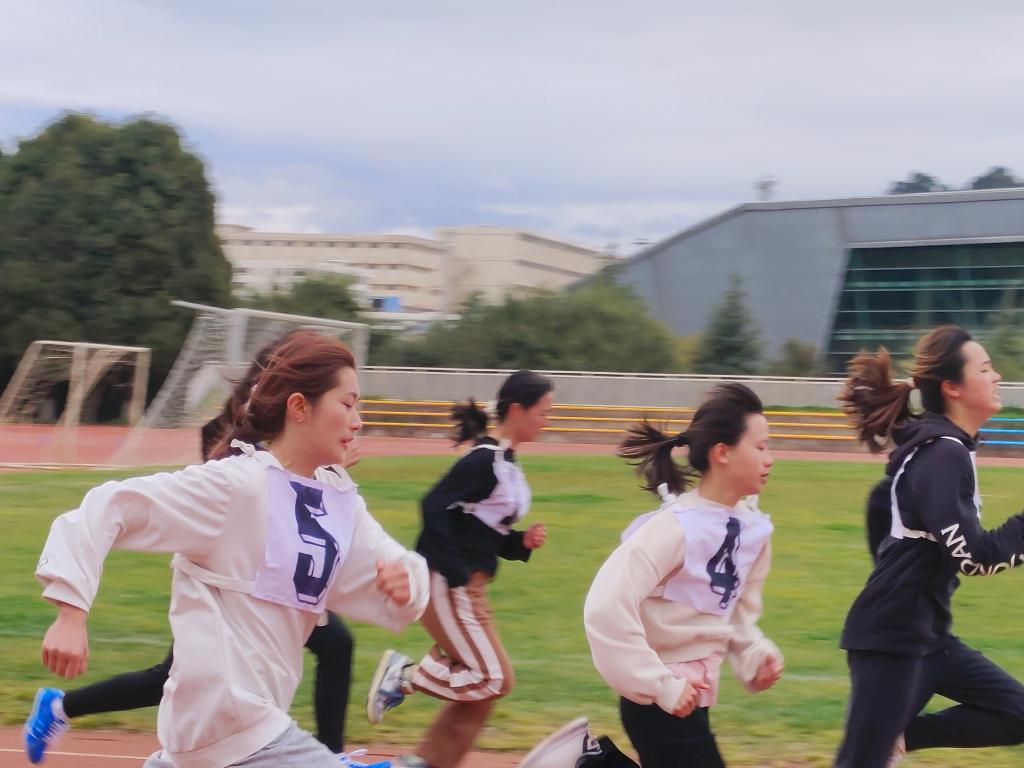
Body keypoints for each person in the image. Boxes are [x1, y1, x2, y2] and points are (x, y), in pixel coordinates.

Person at [32, 330, 429, 768]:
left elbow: (393, 565)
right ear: (299, 407)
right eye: (348, 404)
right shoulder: (235, 485)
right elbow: (111, 506)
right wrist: (71, 610)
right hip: (228, 718)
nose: (357, 421)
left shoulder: (337, 501)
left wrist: (407, 583)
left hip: (236, 729)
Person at [834, 325, 1024, 767]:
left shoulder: (948, 448)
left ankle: (897, 737)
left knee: (1016, 714)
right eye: (985, 368)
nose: (997, 376)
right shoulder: (943, 453)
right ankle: (883, 742)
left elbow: (880, 503)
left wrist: (896, 568)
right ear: (952, 387)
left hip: (929, 636)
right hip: (892, 639)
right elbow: (974, 557)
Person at [584, 383, 782, 768]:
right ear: (722, 453)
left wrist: (754, 655)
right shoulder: (674, 527)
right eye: (760, 447)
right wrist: (658, 683)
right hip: (659, 698)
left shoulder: (753, 531)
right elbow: (605, 606)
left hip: (693, 695)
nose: (770, 459)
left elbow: (734, 616)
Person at [366, 370, 554, 768]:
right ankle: (404, 675)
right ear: (517, 410)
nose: (547, 420)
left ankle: (425, 763)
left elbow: (480, 529)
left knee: (485, 690)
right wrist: (453, 573)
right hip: (453, 583)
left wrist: (520, 542)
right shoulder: (484, 460)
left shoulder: (505, 461)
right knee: (493, 678)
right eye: (543, 411)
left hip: (471, 585)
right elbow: (432, 505)